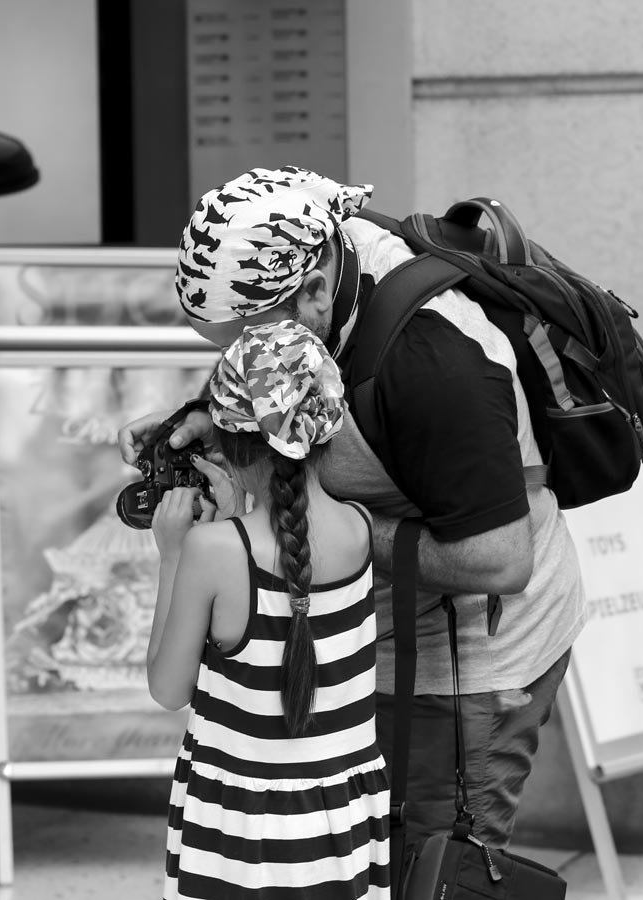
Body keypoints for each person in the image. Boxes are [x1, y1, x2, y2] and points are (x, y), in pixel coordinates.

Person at [121, 165, 586, 854]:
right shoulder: (322, 265)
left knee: (434, 869)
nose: (243, 359)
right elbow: (290, 376)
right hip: (368, 639)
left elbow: (501, 560)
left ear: (314, 290)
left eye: (245, 343)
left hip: (466, 664)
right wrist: (215, 422)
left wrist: (337, 530)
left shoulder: (435, 362)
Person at [148, 318, 390, 899]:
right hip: (341, 832)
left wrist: (172, 554)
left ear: (228, 443)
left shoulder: (212, 551)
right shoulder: (359, 527)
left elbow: (168, 689)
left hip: (241, 839)